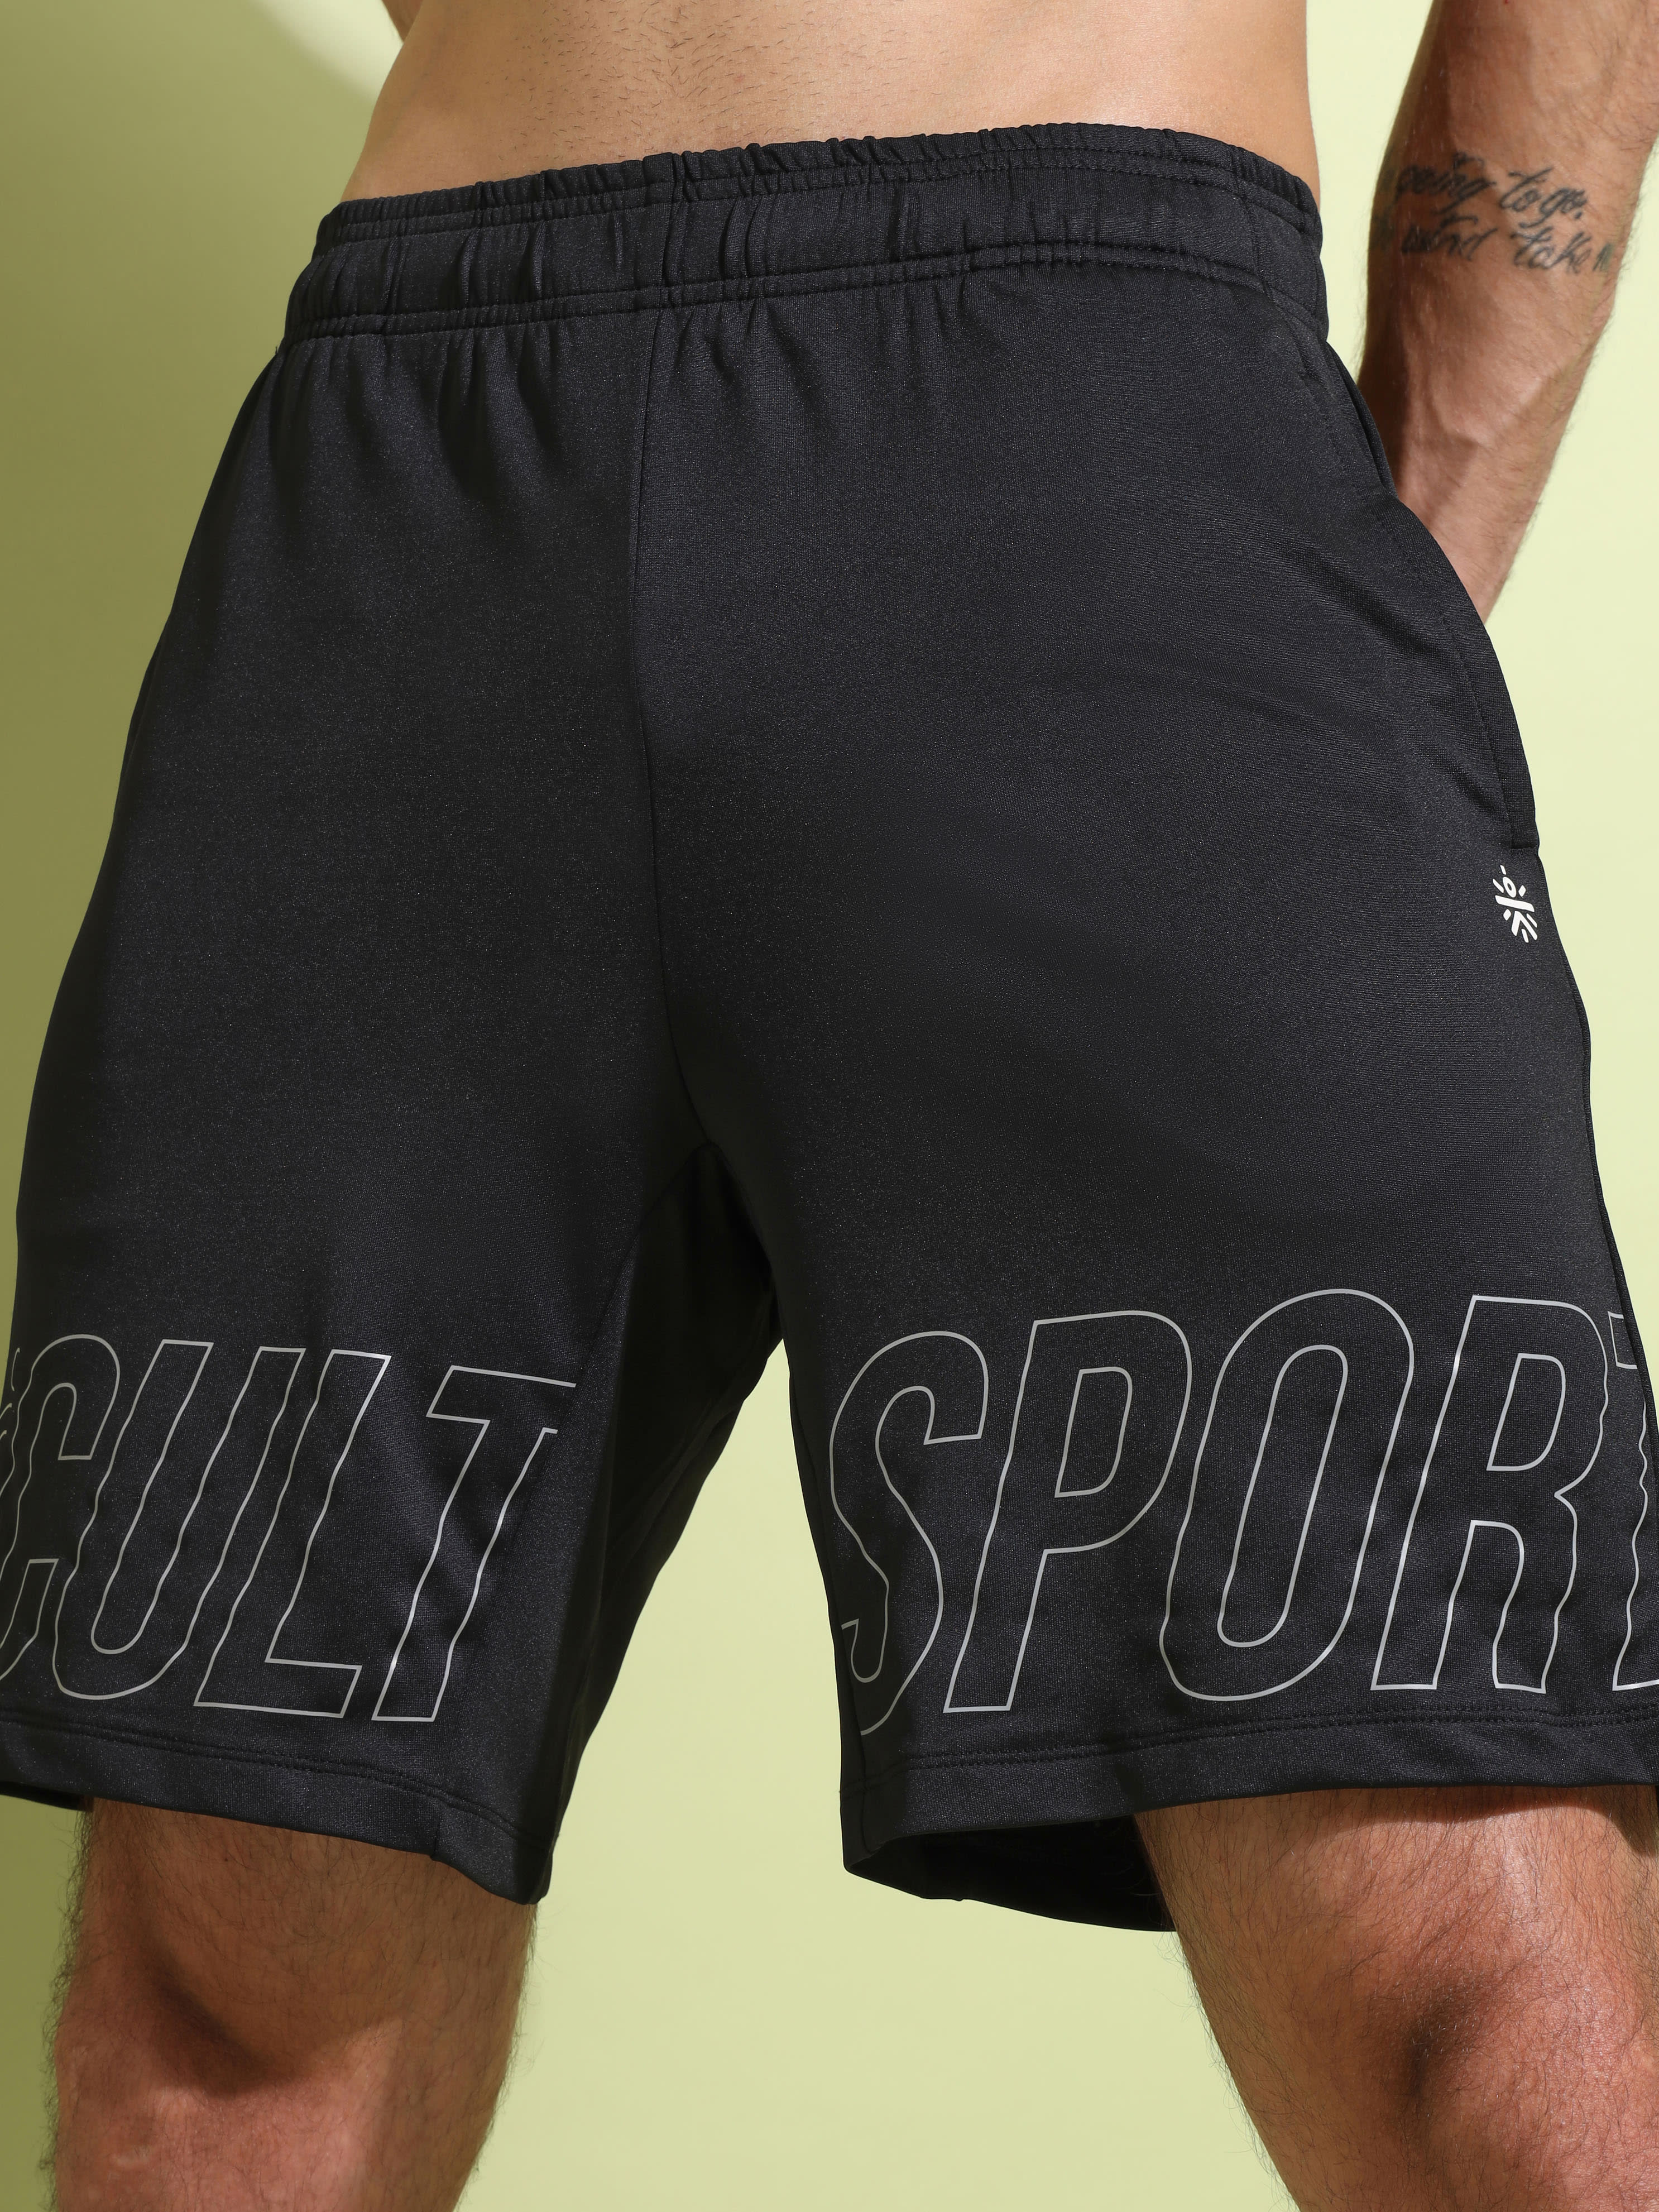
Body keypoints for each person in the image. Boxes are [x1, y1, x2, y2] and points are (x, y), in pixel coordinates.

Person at [8, 0, 1659, 2203]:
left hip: (1095, 383)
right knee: (220, 2031)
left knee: (1484, 2008)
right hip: (408, 485)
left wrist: (1381, 578)